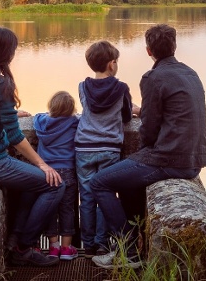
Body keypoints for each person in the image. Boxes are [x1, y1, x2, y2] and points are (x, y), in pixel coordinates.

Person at [90, 24, 206, 270]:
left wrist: (144, 151)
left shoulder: (153, 77)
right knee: (127, 182)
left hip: (169, 158)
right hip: (194, 158)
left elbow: (150, 125)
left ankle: (129, 248)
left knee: (99, 182)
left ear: (148, 51)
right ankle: (134, 245)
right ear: (174, 46)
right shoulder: (191, 73)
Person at [0, 27, 65, 267]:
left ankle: (14, 239)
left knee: (32, 184)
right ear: (10, 54)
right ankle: (24, 247)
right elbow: (15, 137)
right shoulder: (0, 84)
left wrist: (10, 113)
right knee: (55, 185)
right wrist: (42, 163)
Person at [74, 40, 140, 257]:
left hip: (83, 147)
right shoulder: (121, 88)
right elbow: (126, 115)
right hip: (109, 147)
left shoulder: (83, 87)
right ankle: (102, 243)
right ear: (112, 64)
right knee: (106, 195)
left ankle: (88, 244)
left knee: (87, 196)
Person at [32, 91, 81, 261]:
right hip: (67, 170)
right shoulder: (74, 122)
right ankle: (67, 248)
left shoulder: (41, 122)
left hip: (47, 173)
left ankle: (53, 247)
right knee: (67, 209)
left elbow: (37, 116)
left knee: (50, 209)